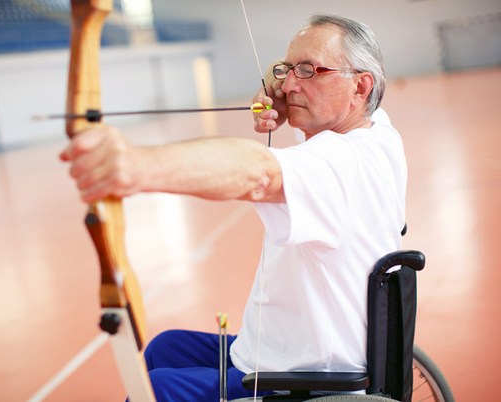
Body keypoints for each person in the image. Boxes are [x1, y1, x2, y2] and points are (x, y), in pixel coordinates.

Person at [60, 13, 406, 402]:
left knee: (154, 391)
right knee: (164, 348)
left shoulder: (343, 162)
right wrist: (288, 99)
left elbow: (257, 174)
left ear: (360, 86)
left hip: (302, 374)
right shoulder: (377, 131)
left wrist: (135, 167)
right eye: (287, 69)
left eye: (309, 70)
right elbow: (321, 132)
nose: (289, 83)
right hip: (276, 346)